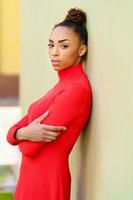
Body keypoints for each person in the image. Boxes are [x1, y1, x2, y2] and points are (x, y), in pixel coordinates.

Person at [7, 7, 92, 200]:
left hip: (48, 182)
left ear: (81, 49)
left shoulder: (76, 90)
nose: (54, 52)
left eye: (63, 46)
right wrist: (22, 133)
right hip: (29, 180)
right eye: (51, 45)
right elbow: (12, 135)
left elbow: (29, 149)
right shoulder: (61, 86)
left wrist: (21, 134)